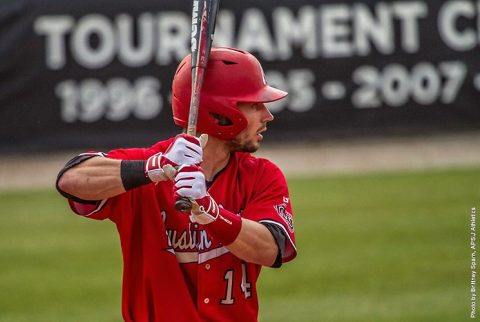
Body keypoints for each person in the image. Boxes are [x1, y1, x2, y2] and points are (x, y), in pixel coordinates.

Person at [56, 47, 297, 322]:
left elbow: (270, 250)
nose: (268, 115)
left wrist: (211, 212)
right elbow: (70, 180)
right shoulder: (149, 167)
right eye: (255, 105)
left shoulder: (261, 176)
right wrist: (153, 169)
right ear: (220, 112)